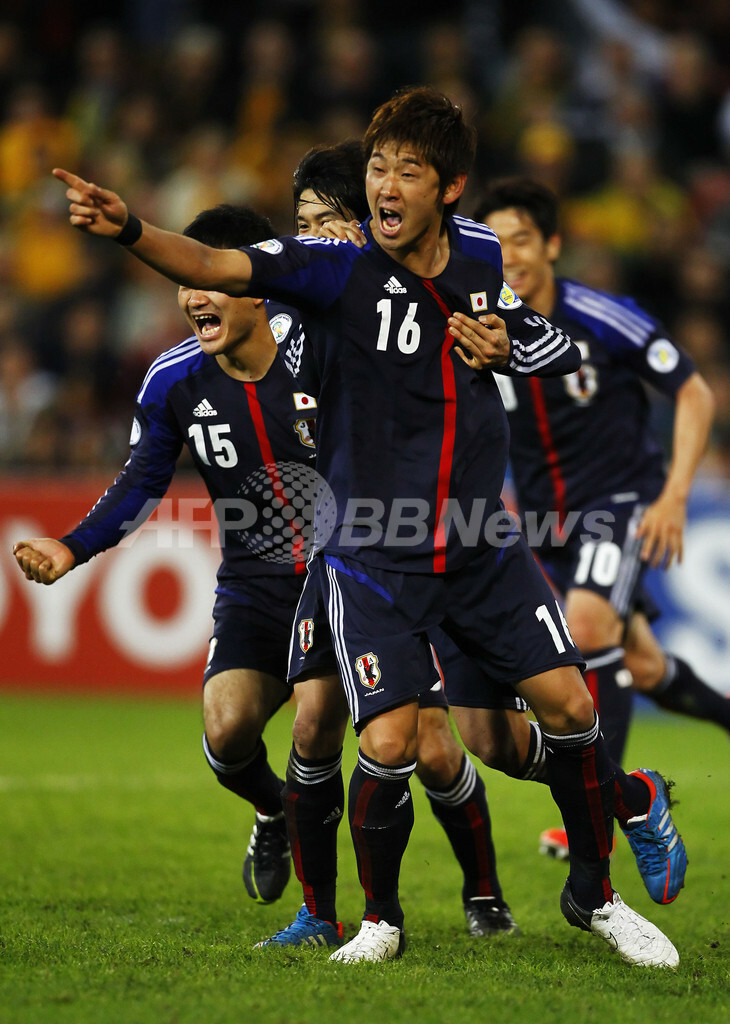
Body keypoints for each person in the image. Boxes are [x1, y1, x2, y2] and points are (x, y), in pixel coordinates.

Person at [52, 85, 682, 968]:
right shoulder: (330, 271)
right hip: (375, 549)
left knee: (568, 709)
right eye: (377, 167)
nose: (386, 185)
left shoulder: (475, 253)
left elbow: (548, 340)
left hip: (476, 539)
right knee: (385, 741)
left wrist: (508, 350)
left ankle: (596, 895)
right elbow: (216, 263)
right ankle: (376, 919)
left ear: (448, 187)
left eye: (405, 170)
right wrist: (129, 230)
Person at [13, 204, 324, 908]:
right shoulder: (174, 379)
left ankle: (332, 906)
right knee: (226, 732)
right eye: (183, 281)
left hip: (338, 575)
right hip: (253, 580)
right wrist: (72, 545)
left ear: (254, 283)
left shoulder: (319, 346)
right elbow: (142, 481)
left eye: (205, 276)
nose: (190, 295)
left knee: (319, 722)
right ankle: (274, 810)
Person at [257, 138, 519, 950]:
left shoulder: (408, 283)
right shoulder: (303, 293)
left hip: (418, 542)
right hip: (341, 545)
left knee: (434, 747)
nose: (311, 238)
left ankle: (484, 894)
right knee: (310, 728)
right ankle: (321, 912)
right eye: (299, 224)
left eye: (322, 222)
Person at [471, 175, 717, 860]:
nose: (509, 256)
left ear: (551, 244)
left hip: (621, 502)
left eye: (521, 239)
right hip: (545, 523)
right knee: (638, 662)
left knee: (586, 627)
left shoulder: (604, 316)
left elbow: (694, 392)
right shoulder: (479, 324)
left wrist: (672, 495)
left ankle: (600, 827)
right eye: (494, 244)